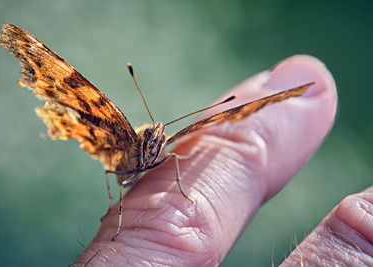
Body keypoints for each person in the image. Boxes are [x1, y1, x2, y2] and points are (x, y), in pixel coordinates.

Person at [74, 55, 373, 266]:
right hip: (120, 161)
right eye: (153, 141)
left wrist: (180, 188)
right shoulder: (126, 140)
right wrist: (115, 207)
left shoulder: (168, 150)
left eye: (159, 143)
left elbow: (173, 155)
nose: (158, 144)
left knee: (177, 155)